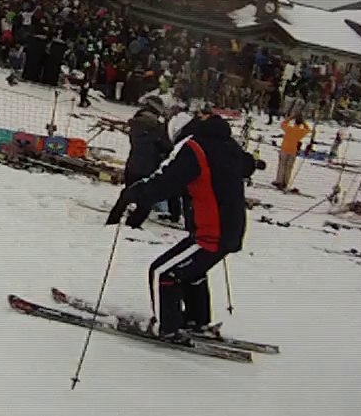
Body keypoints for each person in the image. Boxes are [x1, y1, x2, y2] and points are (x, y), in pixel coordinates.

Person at [105, 106, 264, 342]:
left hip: (211, 232)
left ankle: (166, 327)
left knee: (162, 271)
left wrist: (136, 192)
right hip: (230, 229)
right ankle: (196, 321)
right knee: (191, 273)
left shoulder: (193, 148)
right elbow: (246, 165)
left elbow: (167, 181)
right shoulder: (226, 143)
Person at [123, 95, 175, 218]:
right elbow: (166, 146)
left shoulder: (136, 122)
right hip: (150, 165)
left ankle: (128, 205)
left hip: (133, 162)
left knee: (132, 186)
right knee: (146, 191)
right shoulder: (157, 128)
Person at [275, 115, 310, 189]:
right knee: (289, 167)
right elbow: (308, 129)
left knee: (282, 165)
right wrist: (304, 122)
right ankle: (285, 182)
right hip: (293, 150)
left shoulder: (289, 129)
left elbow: (283, 124)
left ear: (294, 122)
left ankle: (279, 181)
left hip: (284, 149)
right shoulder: (300, 132)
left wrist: (290, 117)